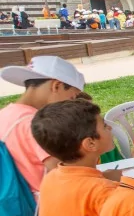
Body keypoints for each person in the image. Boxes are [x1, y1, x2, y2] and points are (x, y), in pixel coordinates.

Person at [32, 99, 118, 216]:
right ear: (90, 144)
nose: (109, 128)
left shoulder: (52, 178)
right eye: (104, 126)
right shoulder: (103, 192)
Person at [0, 56, 85, 193]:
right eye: (72, 97)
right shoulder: (36, 123)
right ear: (56, 86)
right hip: (41, 207)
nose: (70, 104)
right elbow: (65, 173)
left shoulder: (5, 114)